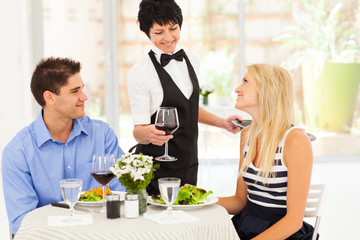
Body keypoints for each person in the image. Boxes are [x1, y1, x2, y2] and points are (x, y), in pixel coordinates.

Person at [126, 0, 242, 195]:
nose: (169, 37)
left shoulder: (191, 59)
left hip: (188, 162)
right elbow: (138, 131)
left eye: (173, 28)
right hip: (156, 168)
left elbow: (188, 108)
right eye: (159, 32)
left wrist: (223, 123)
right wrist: (150, 133)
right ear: (146, 32)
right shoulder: (140, 73)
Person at [2, 57, 126, 236]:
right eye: (75, 91)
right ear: (49, 97)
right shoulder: (18, 152)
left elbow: (120, 192)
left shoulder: (102, 135)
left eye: (82, 88)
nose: (84, 97)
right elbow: (23, 222)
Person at [217, 64, 316, 239]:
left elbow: (293, 221)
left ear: (266, 90)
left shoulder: (295, 140)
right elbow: (240, 201)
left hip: (281, 233)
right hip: (245, 226)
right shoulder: (247, 135)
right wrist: (198, 200)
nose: (237, 89)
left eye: (246, 81)